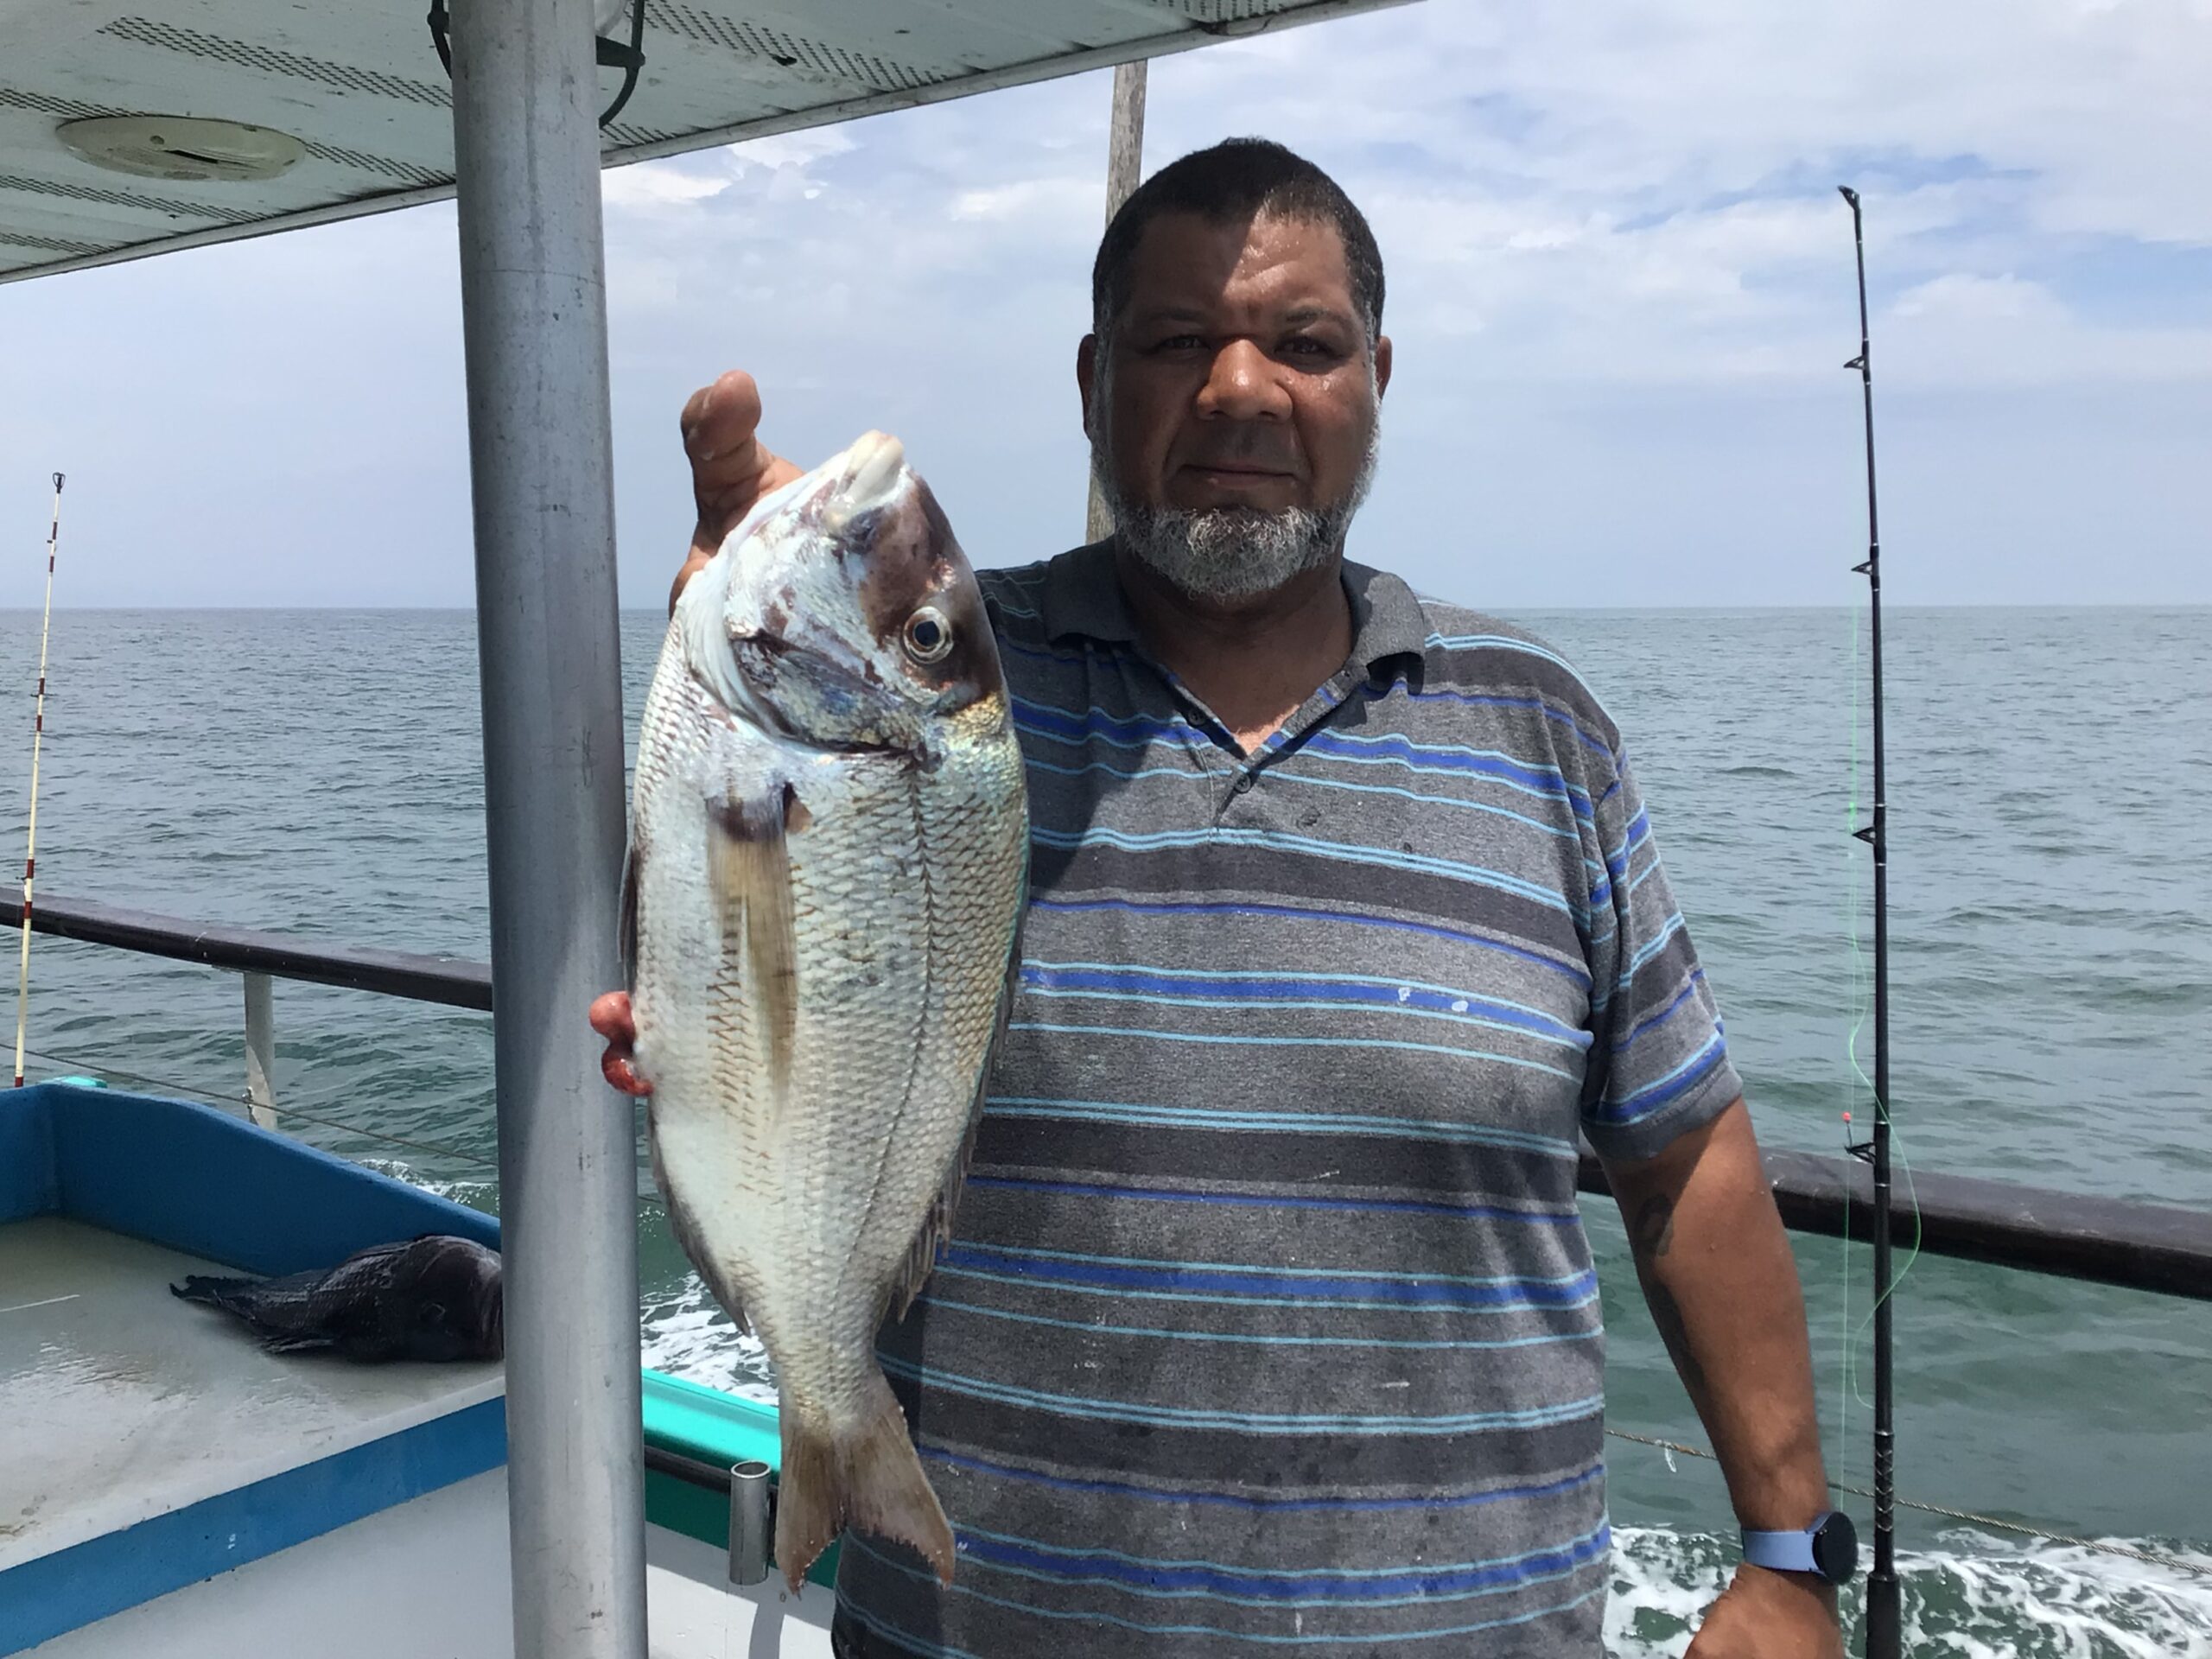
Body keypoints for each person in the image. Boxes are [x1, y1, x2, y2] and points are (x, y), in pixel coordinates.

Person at [591, 138, 1847, 1658]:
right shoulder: (952, 705)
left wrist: (1787, 1556)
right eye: (1177, 341)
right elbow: (768, 911)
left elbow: (1683, 1152)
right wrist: (760, 645)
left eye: (1305, 345)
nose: (1242, 389)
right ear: (1091, 376)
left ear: (1377, 376)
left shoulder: (1540, 723)